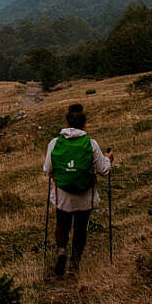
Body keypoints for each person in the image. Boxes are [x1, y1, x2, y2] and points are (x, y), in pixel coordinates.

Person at [42, 103, 113, 276]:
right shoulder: (91, 144)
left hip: (63, 194)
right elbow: (104, 170)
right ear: (84, 123)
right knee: (81, 228)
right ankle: (74, 263)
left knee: (62, 224)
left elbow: (47, 170)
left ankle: (61, 252)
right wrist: (109, 159)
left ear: (67, 122)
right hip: (84, 194)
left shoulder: (54, 143)